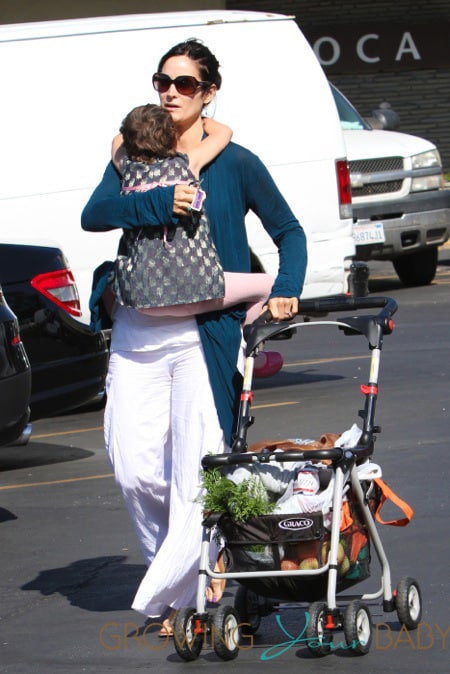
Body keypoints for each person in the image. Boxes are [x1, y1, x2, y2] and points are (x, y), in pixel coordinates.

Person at [81, 38, 307, 635]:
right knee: (133, 467)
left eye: (184, 84)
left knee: (196, 471)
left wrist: (287, 286)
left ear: (209, 92)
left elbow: (289, 230)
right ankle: (183, 569)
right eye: (163, 82)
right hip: (137, 332)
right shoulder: (130, 152)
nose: (170, 93)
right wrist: (159, 200)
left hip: (202, 334)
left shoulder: (235, 161)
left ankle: (187, 593)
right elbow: (96, 212)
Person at [108, 102, 276, 329]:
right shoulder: (187, 165)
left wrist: (132, 132)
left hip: (142, 294)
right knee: (267, 286)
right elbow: (224, 133)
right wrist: (202, 119)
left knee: (105, 279)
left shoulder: (127, 172)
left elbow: (116, 143)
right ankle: (241, 330)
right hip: (198, 289)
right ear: (173, 139)